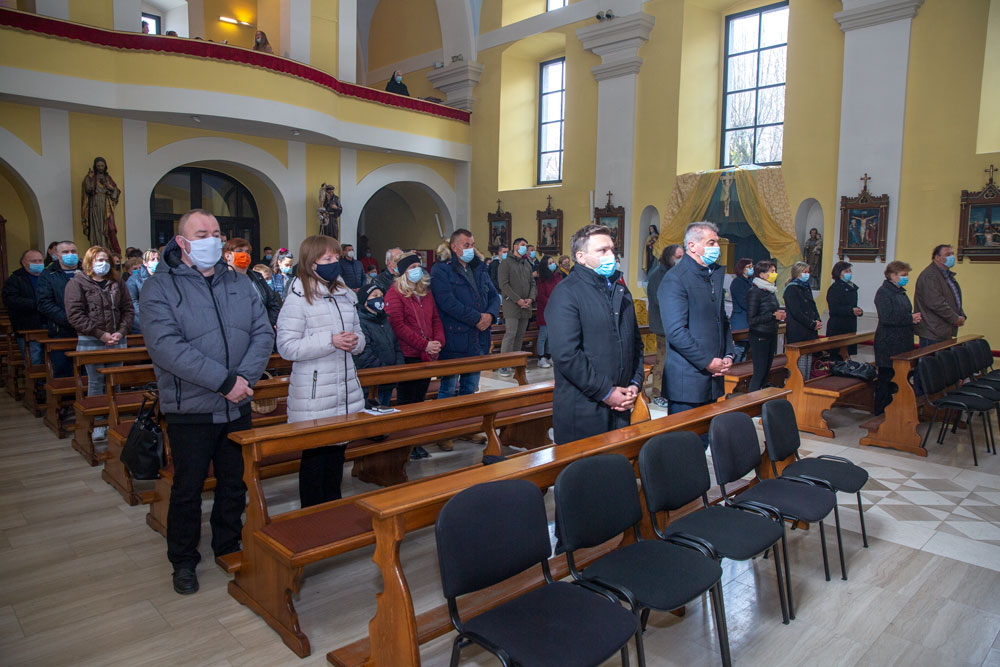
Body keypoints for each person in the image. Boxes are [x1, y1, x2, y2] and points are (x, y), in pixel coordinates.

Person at [140, 209, 274, 595]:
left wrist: (243, 380)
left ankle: (227, 544)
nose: (212, 239)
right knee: (188, 488)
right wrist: (224, 381)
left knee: (234, 482)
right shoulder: (160, 287)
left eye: (216, 233)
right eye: (202, 234)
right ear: (182, 242)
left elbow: (262, 332)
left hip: (237, 403)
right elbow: (166, 347)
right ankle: (183, 560)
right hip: (191, 406)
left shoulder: (238, 282)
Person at [276, 235, 366, 507]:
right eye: (328, 258)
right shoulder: (298, 296)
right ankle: (312, 517)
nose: (334, 262)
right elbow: (287, 346)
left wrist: (355, 342)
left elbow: (360, 335)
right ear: (311, 262)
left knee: (336, 458)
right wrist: (330, 340)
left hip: (344, 388)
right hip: (314, 393)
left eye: (336, 257)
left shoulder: (344, 293)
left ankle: (333, 512)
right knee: (315, 461)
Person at [546, 224, 644, 444]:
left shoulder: (620, 290)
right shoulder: (566, 293)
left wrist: (634, 383)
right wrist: (606, 392)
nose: (611, 256)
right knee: (587, 465)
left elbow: (635, 342)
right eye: (602, 250)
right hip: (583, 408)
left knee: (618, 462)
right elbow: (567, 355)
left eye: (612, 250)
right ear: (581, 257)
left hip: (621, 404)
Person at [430, 230, 500, 450]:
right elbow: (447, 302)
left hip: (478, 337)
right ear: (454, 247)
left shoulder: (478, 267)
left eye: (472, 244)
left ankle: (466, 428)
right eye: (466, 244)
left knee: (470, 386)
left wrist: (490, 316)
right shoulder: (441, 270)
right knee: (449, 387)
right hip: (455, 335)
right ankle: (444, 431)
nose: (471, 248)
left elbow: (493, 295)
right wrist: (477, 318)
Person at [658, 222, 736, 414]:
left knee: (709, 430)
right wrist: (707, 361)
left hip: (713, 375)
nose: (717, 248)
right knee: (685, 433)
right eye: (711, 243)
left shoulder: (712, 275)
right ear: (692, 246)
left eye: (717, 242)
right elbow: (676, 332)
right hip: (687, 378)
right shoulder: (676, 278)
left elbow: (721, 319)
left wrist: (728, 354)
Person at [64, 246, 134, 440]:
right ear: (89, 262)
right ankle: (98, 424)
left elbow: (128, 309)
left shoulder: (117, 282)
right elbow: (75, 315)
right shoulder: (77, 283)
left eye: (105, 260)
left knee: (115, 381)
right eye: (98, 260)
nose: (103, 263)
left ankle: (115, 421)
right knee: (96, 382)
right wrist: (100, 334)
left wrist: (121, 332)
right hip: (92, 340)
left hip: (117, 339)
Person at [385, 252, 444, 459]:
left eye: (418, 266)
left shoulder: (425, 292)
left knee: (419, 399)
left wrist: (438, 342)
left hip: (426, 354)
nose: (417, 269)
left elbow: (435, 319)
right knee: (406, 401)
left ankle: (416, 441)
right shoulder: (394, 293)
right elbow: (398, 326)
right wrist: (424, 344)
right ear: (403, 272)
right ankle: (404, 443)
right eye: (412, 267)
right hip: (408, 354)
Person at [874, 261, 922, 415]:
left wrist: (912, 318)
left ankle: (895, 410)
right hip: (888, 343)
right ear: (892, 275)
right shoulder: (883, 293)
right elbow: (886, 317)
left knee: (899, 378)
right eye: (903, 275)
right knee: (886, 378)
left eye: (906, 275)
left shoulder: (900, 292)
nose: (906, 277)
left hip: (902, 341)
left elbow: (903, 312)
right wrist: (910, 318)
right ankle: (881, 412)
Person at [353, 282, 403, 407]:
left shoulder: (384, 320)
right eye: (374, 296)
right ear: (364, 301)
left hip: (390, 378)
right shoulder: (359, 322)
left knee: (386, 407)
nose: (379, 299)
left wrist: (397, 366)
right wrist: (384, 370)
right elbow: (364, 355)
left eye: (381, 296)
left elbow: (395, 344)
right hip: (373, 380)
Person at [645, 244, 683, 408]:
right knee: (663, 359)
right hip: (663, 325)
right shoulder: (658, 276)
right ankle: (657, 393)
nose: (681, 260)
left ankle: (671, 391)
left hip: (677, 324)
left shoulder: (676, 273)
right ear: (668, 257)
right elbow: (659, 300)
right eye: (678, 257)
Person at [36, 241, 81, 378]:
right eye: (65, 252)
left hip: (88, 329)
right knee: (63, 370)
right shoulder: (48, 274)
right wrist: (69, 320)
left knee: (88, 370)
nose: (70, 254)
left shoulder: (88, 271)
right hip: (61, 330)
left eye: (73, 251)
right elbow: (45, 303)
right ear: (57, 255)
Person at [497, 237, 536, 377]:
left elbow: (532, 283)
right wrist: (517, 300)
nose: (525, 247)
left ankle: (515, 363)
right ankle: (503, 365)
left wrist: (531, 298)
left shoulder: (527, 264)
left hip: (526, 305)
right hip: (512, 304)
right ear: (515, 246)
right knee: (511, 334)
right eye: (523, 245)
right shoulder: (506, 263)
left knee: (520, 335)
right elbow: (504, 285)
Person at [913, 244, 965, 347]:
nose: (951, 257)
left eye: (952, 254)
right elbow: (936, 303)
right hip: (932, 331)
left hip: (943, 330)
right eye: (947, 254)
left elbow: (954, 299)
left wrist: (961, 315)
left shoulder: (946, 275)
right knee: (932, 357)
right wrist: (955, 318)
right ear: (937, 257)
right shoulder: (930, 276)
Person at [222, 238, 282, 329]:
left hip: (262, 330)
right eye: (239, 251)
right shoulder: (222, 280)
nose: (244, 254)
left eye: (247, 252)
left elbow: (273, 303)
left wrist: (266, 325)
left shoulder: (257, 277)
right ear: (227, 256)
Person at [2, 249, 46, 371]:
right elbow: (11, 300)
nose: (38, 263)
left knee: (53, 360)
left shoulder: (48, 276)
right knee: (34, 360)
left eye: (40, 261)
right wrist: (38, 304)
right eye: (34, 261)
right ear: (23, 262)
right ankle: (37, 383)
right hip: (28, 325)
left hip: (50, 325)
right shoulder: (15, 279)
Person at [746, 260, 786, 392]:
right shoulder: (755, 292)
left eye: (775, 271)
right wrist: (773, 316)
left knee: (766, 371)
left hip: (771, 333)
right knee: (760, 371)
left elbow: (770, 310)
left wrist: (779, 314)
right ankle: (752, 399)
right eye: (771, 271)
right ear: (762, 274)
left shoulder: (770, 291)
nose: (775, 274)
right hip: (759, 335)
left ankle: (761, 398)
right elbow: (751, 319)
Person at [783, 261, 823, 381]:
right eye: (805, 272)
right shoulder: (791, 289)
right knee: (798, 363)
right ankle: (796, 384)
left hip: (809, 330)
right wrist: (811, 323)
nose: (807, 274)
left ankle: (805, 383)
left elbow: (812, 306)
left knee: (807, 360)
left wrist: (817, 320)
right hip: (798, 330)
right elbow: (796, 312)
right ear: (797, 273)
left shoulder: (806, 287)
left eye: (808, 272)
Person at [81, 156, 122, 254]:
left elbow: (116, 192)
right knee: (96, 228)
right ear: (95, 166)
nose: (100, 168)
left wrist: (110, 187)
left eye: (102, 166)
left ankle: (108, 249)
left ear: (105, 167)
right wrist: (89, 178)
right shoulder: (91, 177)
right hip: (94, 205)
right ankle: (97, 249)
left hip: (106, 206)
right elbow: (88, 189)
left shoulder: (108, 178)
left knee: (110, 228)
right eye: (98, 166)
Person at [826, 260, 862, 358]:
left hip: (849, 325)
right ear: (839, 273)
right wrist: (851, 310)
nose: (849, 273)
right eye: (846, 271)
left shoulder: (852, 287)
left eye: (850, 271)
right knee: (837, 356)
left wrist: (858, 310)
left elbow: (852, 304)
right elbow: (834, 309)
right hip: (838, 327)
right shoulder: (835, 288)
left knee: (847, 355)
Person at [534, 254, 561, 369]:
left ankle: (549, 355)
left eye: (553, 262)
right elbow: (541, 295)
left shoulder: (558, 277)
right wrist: (552, 303)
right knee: (543, 335)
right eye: (549, 263)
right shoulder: (542, 279)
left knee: (551, 335)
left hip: (556, 310)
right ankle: (541, 357)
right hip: (545, 310)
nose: (552, 264)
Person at [126, 249, 158, 333]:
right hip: (142, 323)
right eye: (152, 259)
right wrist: (148, 317)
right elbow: (132, 302)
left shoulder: (166, 278)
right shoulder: (134, 280)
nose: (156, 261)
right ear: (145, 262)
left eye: (158, 259)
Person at [730, 257, 753, 361]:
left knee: (746, 350)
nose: (751, 268)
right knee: (739, 350)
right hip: (741, 320)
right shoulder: (737, 282)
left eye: (752, 266)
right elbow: (743, 302)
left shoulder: (750, 282)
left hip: (749, 319)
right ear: (742, 268)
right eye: (748, 266)